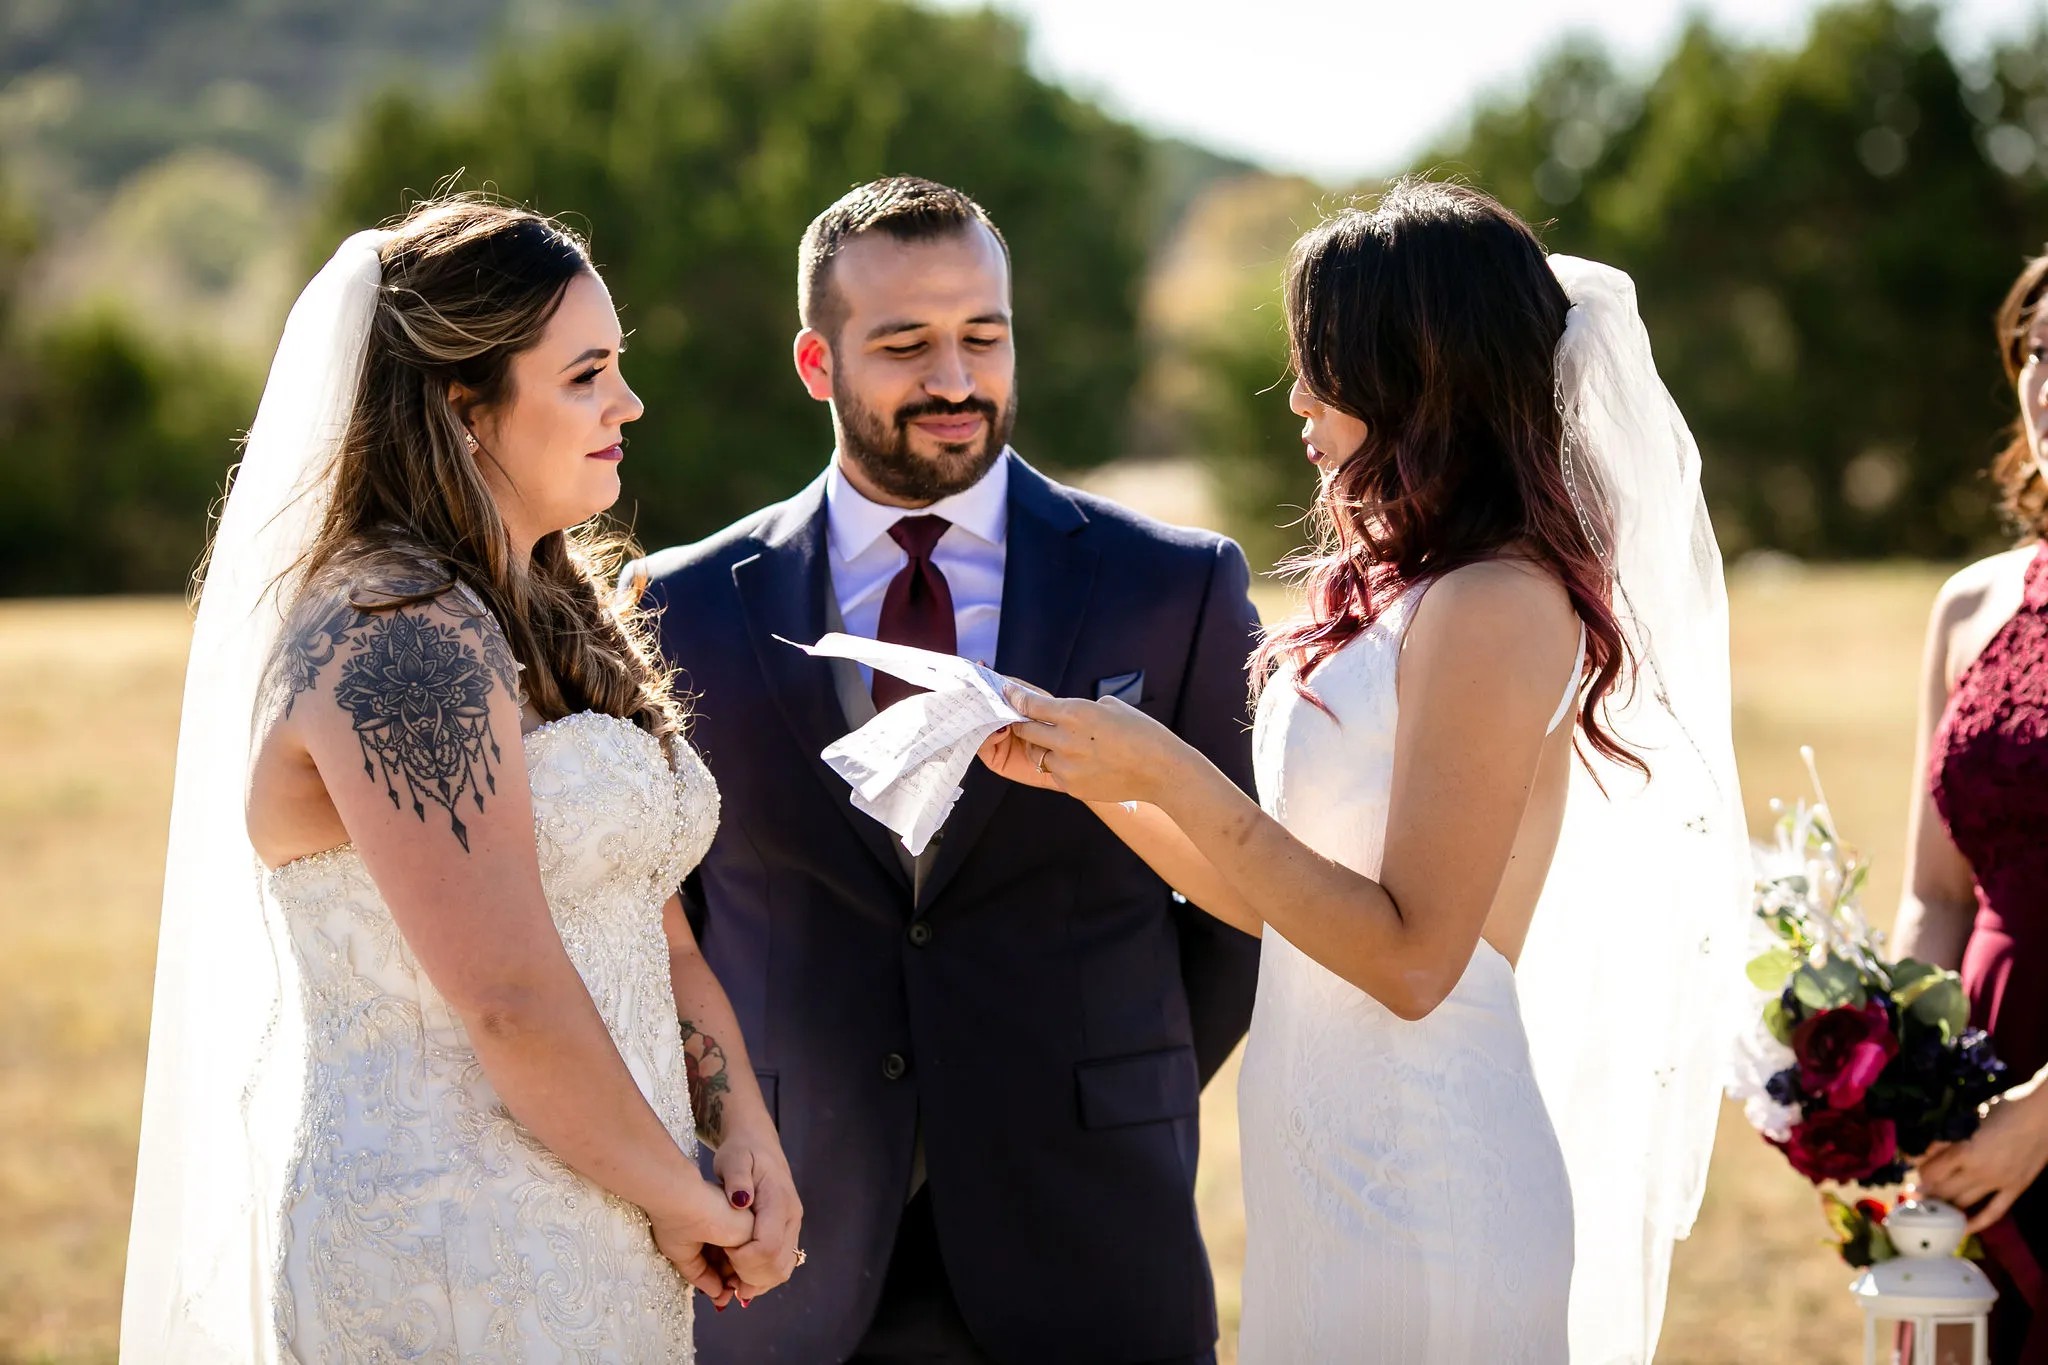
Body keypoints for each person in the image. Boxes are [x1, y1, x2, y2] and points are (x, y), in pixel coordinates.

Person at [980, 179, 1752, 1363]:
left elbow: (1409, 959)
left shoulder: (1498, 602)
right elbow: (1281, 907)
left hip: (1432, 1179)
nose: (1295, 398)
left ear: (1415, 374)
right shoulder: (1400, 592)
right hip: (1326, 1168)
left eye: (1322, 363)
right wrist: (1098, 781)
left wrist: (1177, 774)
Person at [121, 196, 798, 1363]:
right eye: (585, 374)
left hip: (606, 1215)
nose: (627, 404)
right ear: (462, 410)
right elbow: (508, 995)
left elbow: (660, 934)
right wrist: (682, 1200)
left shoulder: (547, 610)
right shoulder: (397, 636)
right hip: (447, 1240)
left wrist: (740, 1139)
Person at [620, 176, 1263, 1365]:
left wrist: (1121, 1083)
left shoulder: (1171, 588)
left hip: (1088, 1227)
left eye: (983, 336)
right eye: (906, 345)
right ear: (816, 363)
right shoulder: (678, 604)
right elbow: (667, 921)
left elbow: (1242, 905)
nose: (956, 381)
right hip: (779, 1248)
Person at [1902, 246, 2048, 1364]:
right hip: (1979, 1073)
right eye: (2036, 354)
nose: (2046, 384)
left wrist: (2037, 1122)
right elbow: (1933, 894)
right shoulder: (1969, 606)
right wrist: (1889, 1074)